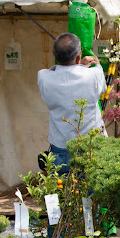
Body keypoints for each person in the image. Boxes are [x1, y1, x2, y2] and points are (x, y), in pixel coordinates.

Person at [38, 33, 106, 174]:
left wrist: (77, 64)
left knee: (64, 193)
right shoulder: (94, 75)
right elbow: (100, 77)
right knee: (91, 192)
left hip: (60, 147)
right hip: (90, 145)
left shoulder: (43, 77)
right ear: (79, 56)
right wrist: (90, 64)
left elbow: (56, 71)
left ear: (53, 54)